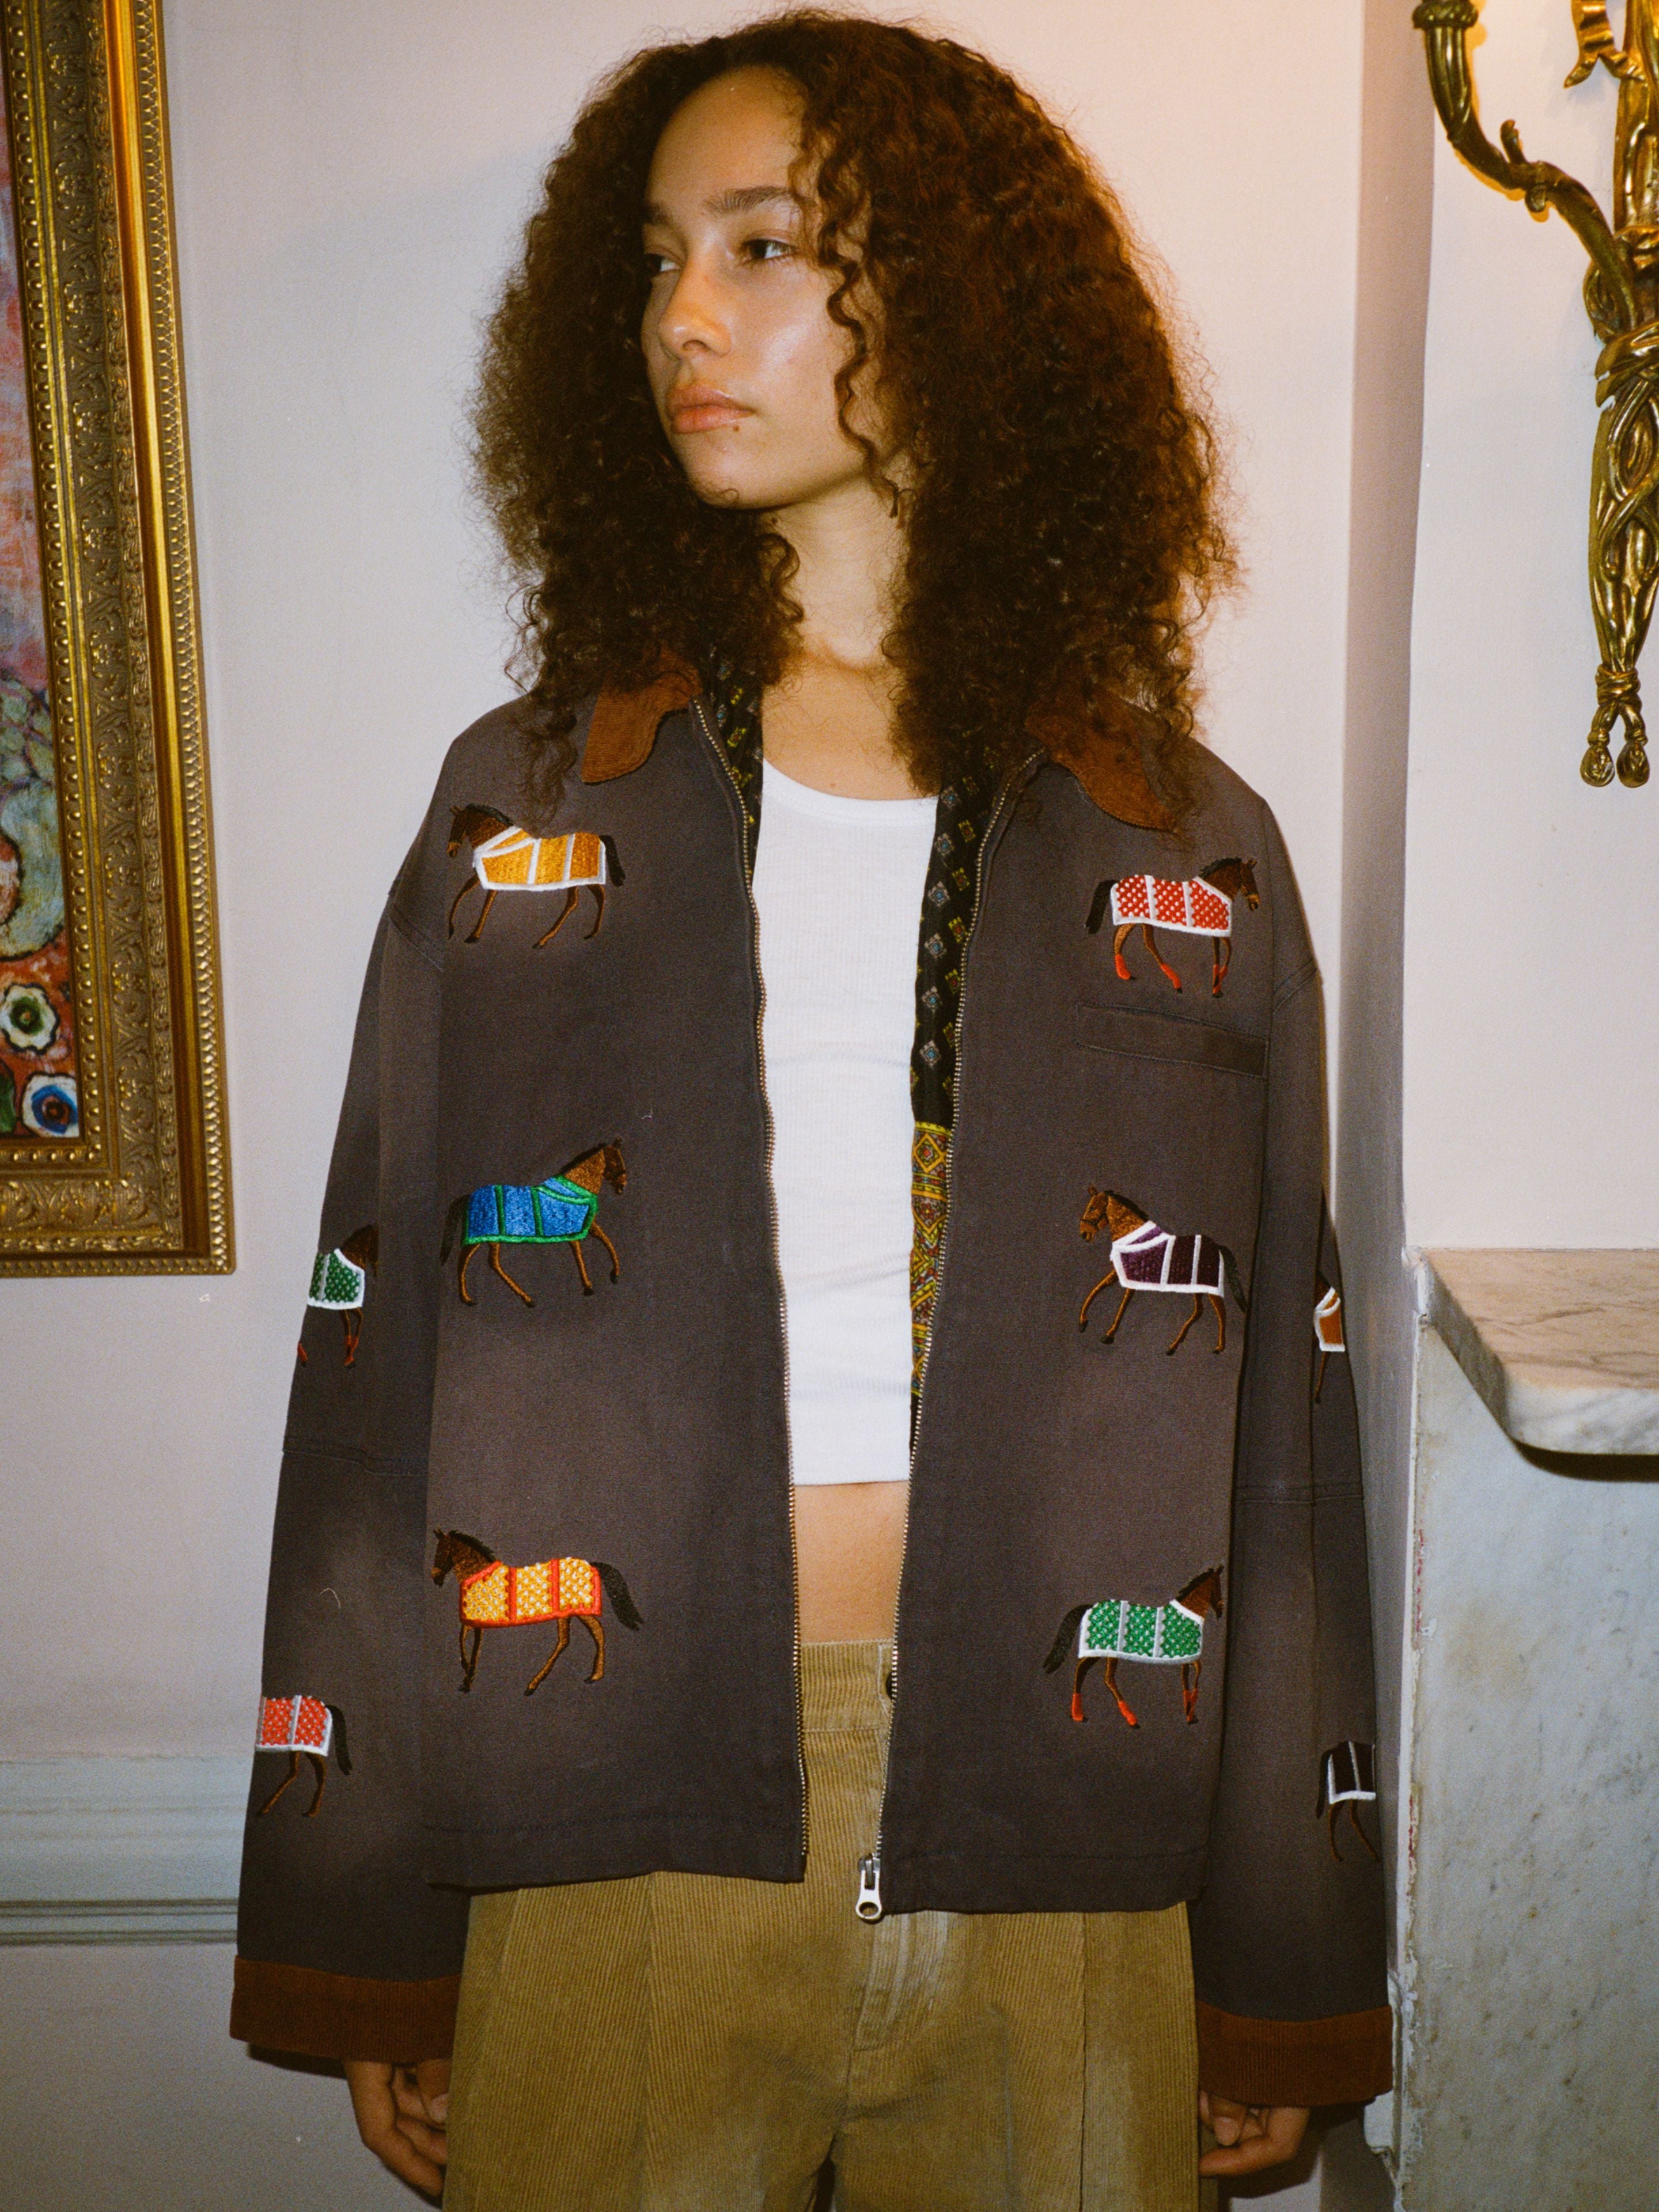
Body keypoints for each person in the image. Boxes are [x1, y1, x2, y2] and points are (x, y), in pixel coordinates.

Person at [231, 15, 1389, 2207]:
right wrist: (376, 1932)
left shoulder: (1183, 846)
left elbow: (1279, 1448)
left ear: (951, 304)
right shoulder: (525, 809)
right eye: (662, 254)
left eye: (764, 247)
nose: (686, 311)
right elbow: (374, 1380)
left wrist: (1274, 1962)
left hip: (1065, 1828)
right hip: (609, 1820)